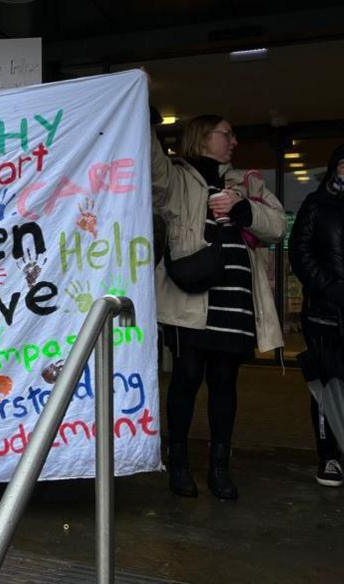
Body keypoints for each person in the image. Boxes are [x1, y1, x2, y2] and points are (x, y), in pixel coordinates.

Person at [151, 114, 285, 500]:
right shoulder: (177, 177)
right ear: (202, 137)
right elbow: (152, 165)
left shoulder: (246, 181)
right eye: (227, 134)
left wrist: (243, 208)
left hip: (235, 299)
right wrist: (145, 114)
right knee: (187, 376)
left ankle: (219, 469)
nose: (234, 141)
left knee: (225, 382)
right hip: (191, 294)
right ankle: (178, 462)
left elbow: (277, 226)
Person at [288, 144, 344, 488]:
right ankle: (330, 456)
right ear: (335, 167)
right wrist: (331, 288)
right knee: (327, 387)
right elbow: (300, 252)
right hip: (326, 314)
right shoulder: (317, 205)